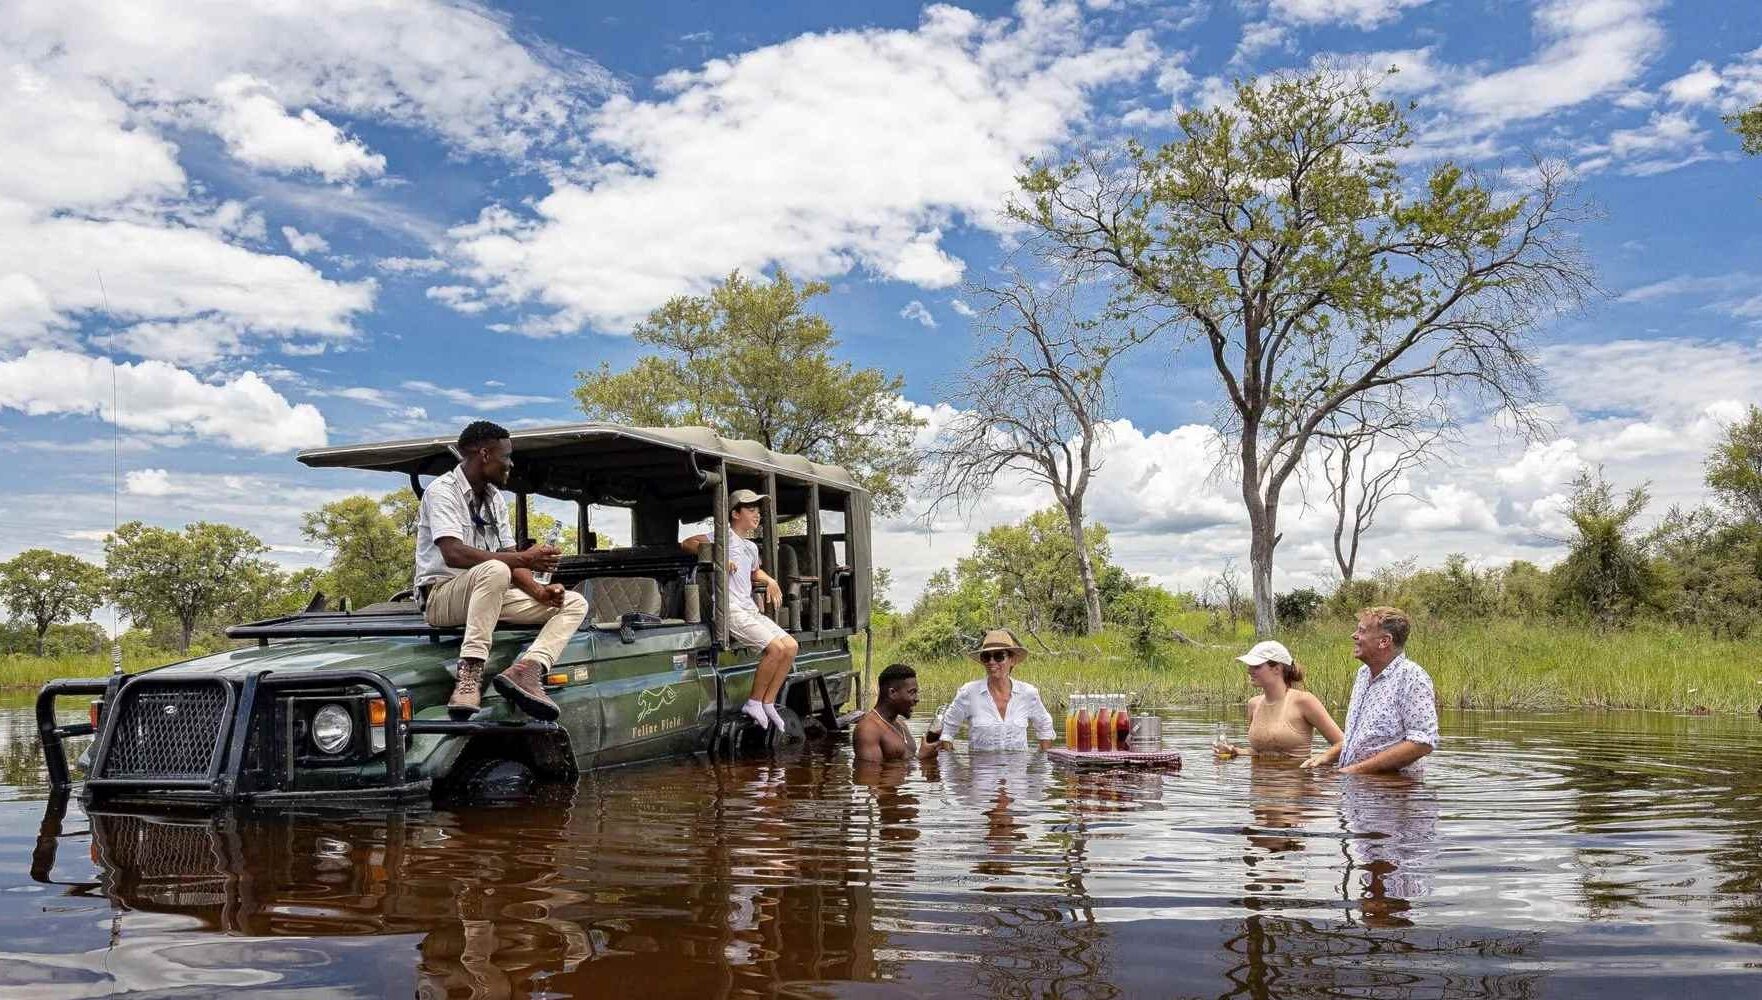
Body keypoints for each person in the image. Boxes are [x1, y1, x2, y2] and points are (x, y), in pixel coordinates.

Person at [415, 421, 588, 721]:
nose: (510, 463)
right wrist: (524, 559)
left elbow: (508, 555)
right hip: (443, 596)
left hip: (489, 593)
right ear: (484, 454)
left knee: (573, 602)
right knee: (494, 569)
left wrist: (540, 591)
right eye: (506, 456)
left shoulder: (495, 499)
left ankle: (528, 669)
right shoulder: (442, 491)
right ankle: (469, 674)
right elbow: (453, 553)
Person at [680, 489, 798, 730]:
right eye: (751, 510)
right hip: (730, 609)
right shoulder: (721, 538)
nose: (757, 516)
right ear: (735, 513)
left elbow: (755, 572)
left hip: (748, 608)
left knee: (791, 647)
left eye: (758, 511)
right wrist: (717, 557)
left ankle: (768, 702)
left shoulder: (751, 547)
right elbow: (687, 543)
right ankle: (753, 702)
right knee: (775, 650)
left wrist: (771, 581)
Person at [1302, 606, 1438, 774]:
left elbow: (1422, 743)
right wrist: (1328, 756)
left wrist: (1355, 770)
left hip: (1393, 793)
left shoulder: (1412, 677)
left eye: (1362, 631)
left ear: (1384, 641)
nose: (1354, 635)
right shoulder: (1363, 674)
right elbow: (1362, 738)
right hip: (1357, 790)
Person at [925, 628, 1056, 752]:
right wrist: (955, 770)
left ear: (1013, 660)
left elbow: (1045, 726)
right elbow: (948, 731)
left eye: (999, 656)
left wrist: (1040, 766)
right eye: (986, 657)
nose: (991, 662)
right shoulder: (968, 692)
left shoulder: (1028, 693)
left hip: (1017, 773)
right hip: (981, 772)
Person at [1212, 639, 1344, 760]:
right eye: (1249, 666)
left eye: (1256, 666)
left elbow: (1343, 743)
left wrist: (1322, 759)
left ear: (1277, 668)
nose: (1249, 670)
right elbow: (1260, 752)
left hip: (1293, 782)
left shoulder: (1304, 701)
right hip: (1259, 783)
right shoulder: (1254, 704)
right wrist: (1235, 751)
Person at [854, 663, 940, 763]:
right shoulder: (868, 730)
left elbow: (908, 762)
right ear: (892, 693)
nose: (917, 699)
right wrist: (921, 758)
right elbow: (869, 776)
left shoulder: (900, 724)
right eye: (912, 692)